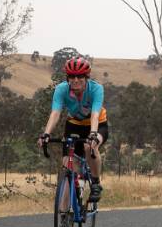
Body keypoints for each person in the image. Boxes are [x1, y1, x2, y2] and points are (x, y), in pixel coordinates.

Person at [37, 56, 109, 202]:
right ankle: (64, 216)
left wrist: (93, 135)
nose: (75, 80)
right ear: (67, 77)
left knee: (89, 147)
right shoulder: (61, 89)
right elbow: (55, 113)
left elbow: (95, 114)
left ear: (86, 77)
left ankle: (95, 183)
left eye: (80, 76)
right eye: (72, 76)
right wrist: (46, 134)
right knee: (68, 166)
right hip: (74, 124)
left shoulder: (96, 89)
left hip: (97, 124)